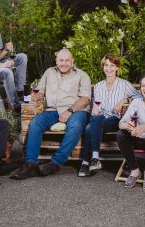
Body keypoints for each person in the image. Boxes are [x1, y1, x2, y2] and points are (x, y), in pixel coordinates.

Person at [10, 48, 91, 179]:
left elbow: (85, 99)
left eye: (67, 60)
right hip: (53, 110)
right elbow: (40, 91)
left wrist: (70, 111)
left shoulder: (81, 75)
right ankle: (30, 163)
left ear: (72, 61)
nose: (64, 63)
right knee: (36, 122)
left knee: (76, 126)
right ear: (56, 61)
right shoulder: (49, 72)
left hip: (76, 110)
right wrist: (36, 96)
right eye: (61, 60)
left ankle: (55, 163)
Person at [78, 54, 141, 177]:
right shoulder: (98, 86)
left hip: (116, 119)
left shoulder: (124, 84)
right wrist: (95, 110)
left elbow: (140, 96)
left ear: (117, 67)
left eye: (112, 65)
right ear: (103, 67)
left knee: (90, 127)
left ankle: (86, 162)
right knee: (90, 126)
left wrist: (125, 100)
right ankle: (94, 158)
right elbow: (97, 105)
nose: (109, 68)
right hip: (99, 119)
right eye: (106, 65)